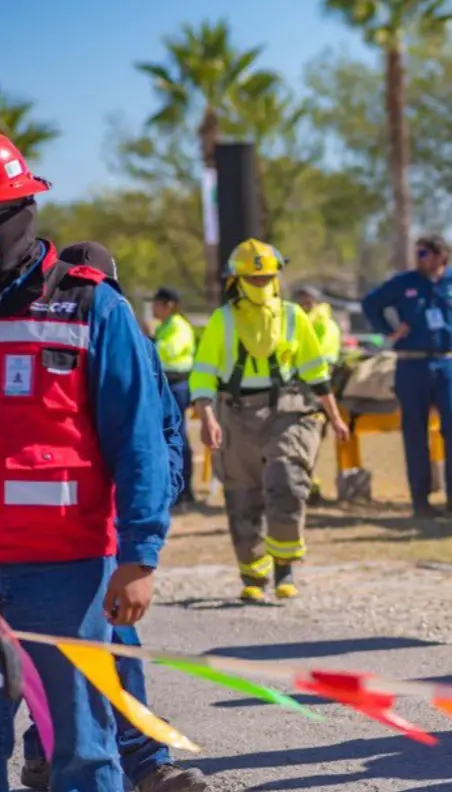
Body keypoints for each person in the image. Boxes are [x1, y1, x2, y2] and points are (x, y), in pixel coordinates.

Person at [0, 135, 174, 790]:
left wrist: (139, 556)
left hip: (68, 575)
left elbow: (140, 440)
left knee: (82, 750)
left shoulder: (90, 306)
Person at [17, 243, 208, 791]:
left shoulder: (122, 336)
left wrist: (143, 517)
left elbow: (160, 436)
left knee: (107, 665)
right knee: (62, 669)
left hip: (96, 543)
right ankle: (51, 752)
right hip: (64, 542)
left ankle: (141, 760)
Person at [191, 239, 350, 602]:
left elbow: (316, 371)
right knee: (242, 494)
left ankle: (285, 569)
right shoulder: (223, 319)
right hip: (236, 413)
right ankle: (253, 575)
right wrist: (208, 417)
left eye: (267, 278)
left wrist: (335, 417)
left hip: (288, 409)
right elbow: (203, 374)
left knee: (287, 482)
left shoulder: (295, 316)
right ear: (238, 279)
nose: (261, 285)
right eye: (254, 279)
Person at [361, 234, 452, 518]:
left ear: (441, 256)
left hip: (446, 365)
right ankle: (420, 499)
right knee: (415, 431)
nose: (418, 259)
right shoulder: (404, 282)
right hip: (411, 365)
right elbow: (370, 303)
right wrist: (388, 331)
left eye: (424, 254)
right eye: (417, 254)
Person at [294, 285, 344, 504]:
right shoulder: (296, 322)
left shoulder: (324, 324)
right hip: (296, 387)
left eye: (307, 299)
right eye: (301, 299)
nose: (304, 303)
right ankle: (304, 485)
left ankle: (309, 487)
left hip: (313, 390)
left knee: (309, 438)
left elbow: (321, 360)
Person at [151, 286, 198, 508]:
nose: (153, 307)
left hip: (177, 385)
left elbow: (166, 351)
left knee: (176, 435)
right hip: (167, 385)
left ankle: (184, 489)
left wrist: (149, 343)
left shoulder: (178, 326)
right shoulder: (166, 326)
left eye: (157, 303)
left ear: (168, 305)